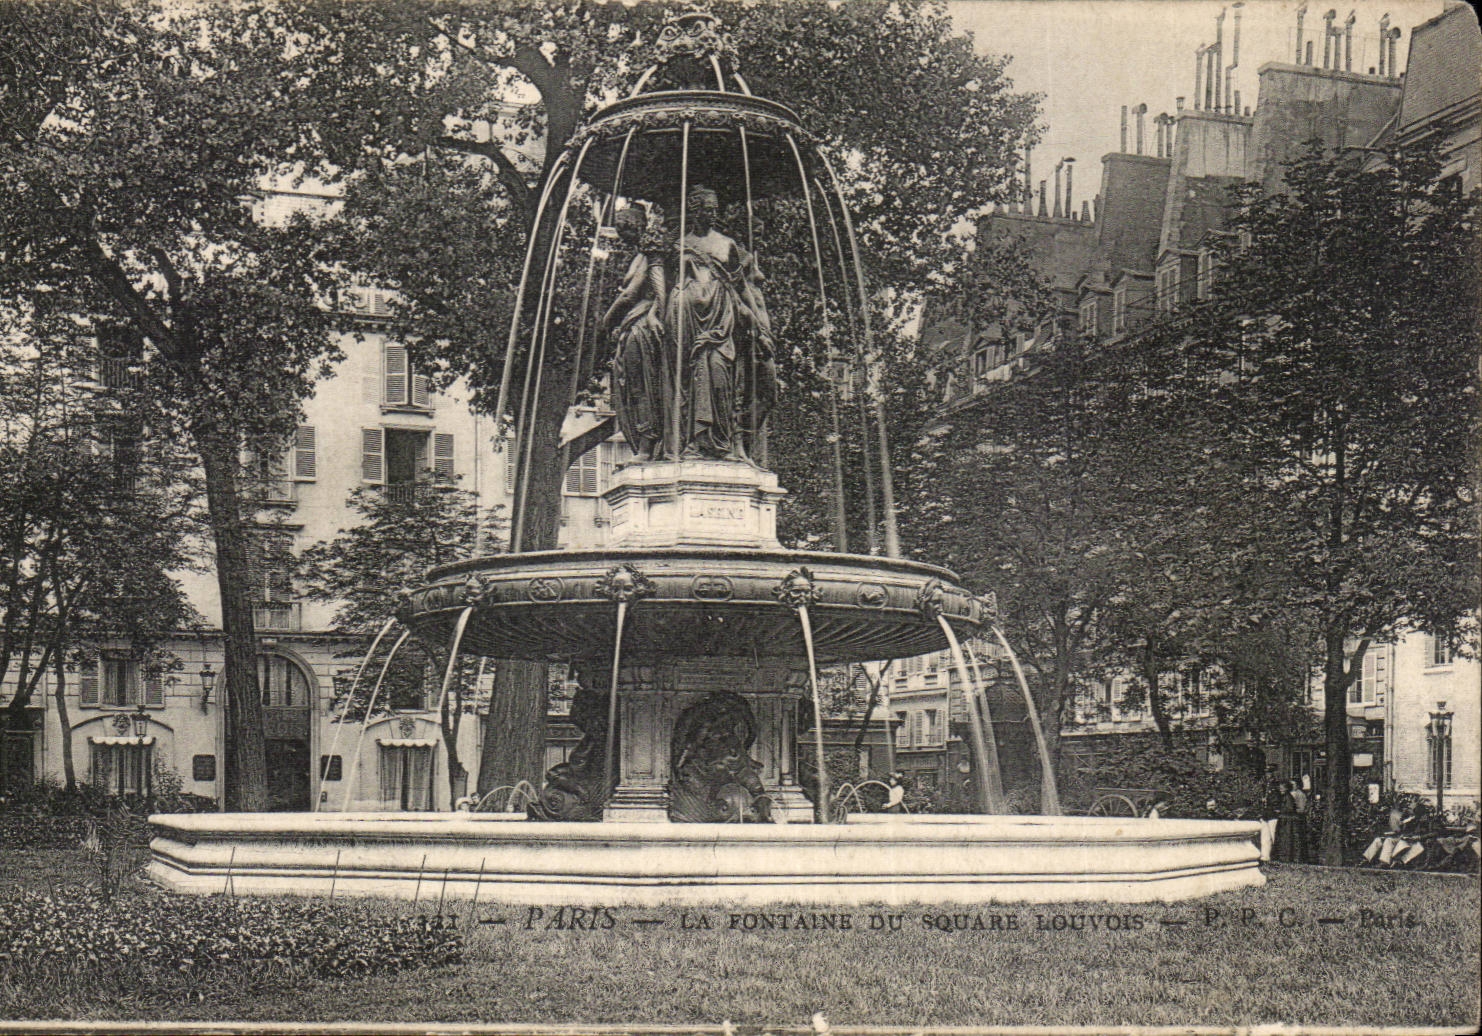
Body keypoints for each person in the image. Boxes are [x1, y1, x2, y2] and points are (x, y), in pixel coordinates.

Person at [667, 185, 776, 461]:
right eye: (707, 209)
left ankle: (723, 442)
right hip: (690, 321)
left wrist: (759, 325)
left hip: (722, 319)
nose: (713, 215)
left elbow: (741, 287)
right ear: (694, 211)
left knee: (720, 374)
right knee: (691, 378)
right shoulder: (679, 245)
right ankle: (692, 442)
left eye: (715, 210)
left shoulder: (727, 244)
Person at [602, 206, 671, 462]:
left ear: (639, 226)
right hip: (636, 321)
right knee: (636, 385)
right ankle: (646, 443)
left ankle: (646, 443)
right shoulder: (642, 254)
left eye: (625, 229)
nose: (623, 236)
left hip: (642, 324)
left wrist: (606, 321)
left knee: (641, 385)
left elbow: (630, 294)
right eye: (620, 230)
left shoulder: (649, 255)